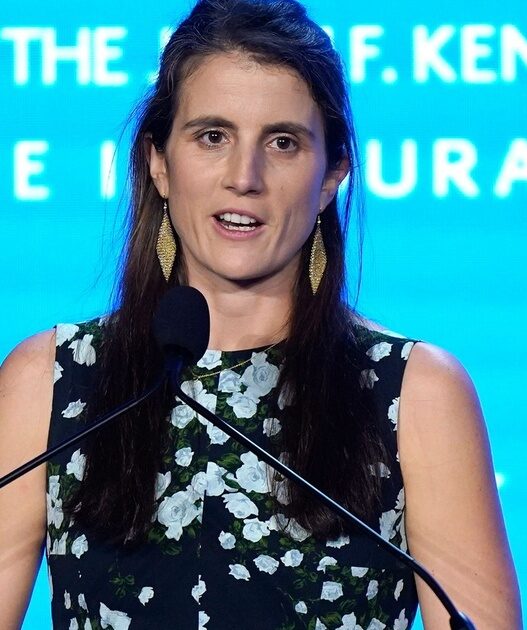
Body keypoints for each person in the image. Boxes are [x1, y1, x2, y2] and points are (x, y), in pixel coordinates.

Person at [0, 0, 522, 628]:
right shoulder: (51, 381)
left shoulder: (416, 393)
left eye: (282, 143)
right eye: (212, 137)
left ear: (331, 175)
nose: (244, 177)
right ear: (159, 163)